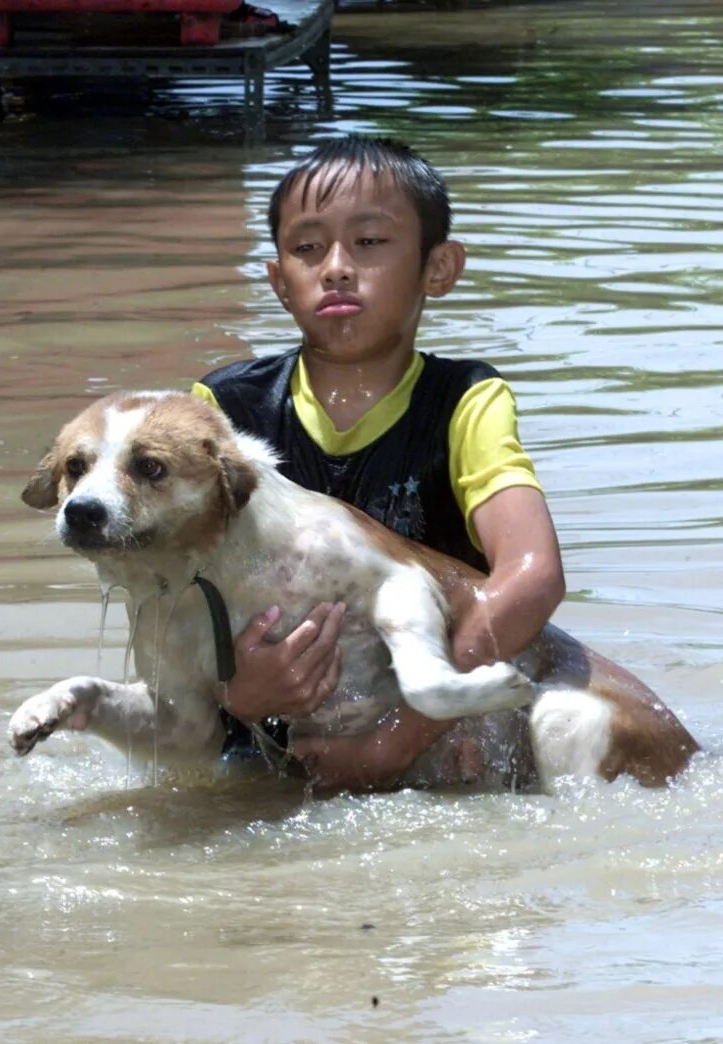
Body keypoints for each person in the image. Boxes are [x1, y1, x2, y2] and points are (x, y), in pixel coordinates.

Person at [191, 134, 565, 792]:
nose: (335, 267)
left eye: (369, 242)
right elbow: (168, 598)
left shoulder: (466, 403)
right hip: (255, 737)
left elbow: (532, 578)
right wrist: (234, 691)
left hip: (423, 740)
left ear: (439, 268)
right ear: (279, 280)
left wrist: (392, 745)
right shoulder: (219, 410)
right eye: (308, 248)